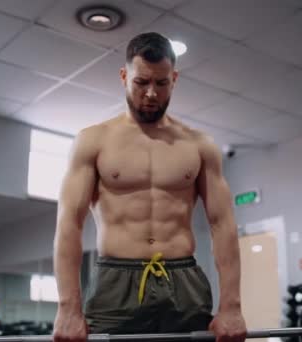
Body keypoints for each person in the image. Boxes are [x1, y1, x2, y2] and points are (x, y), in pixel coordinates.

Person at [53, 32, 247, 342]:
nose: (152, 94)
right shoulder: (93, 140)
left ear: (175, 78)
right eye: (141, 82)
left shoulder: (200, 145)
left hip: (184, 278)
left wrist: (232, 305)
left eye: (161, 83)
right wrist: (67, 308)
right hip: (116, 280)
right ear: (123, 76)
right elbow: (69, 225)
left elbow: (223, 225)